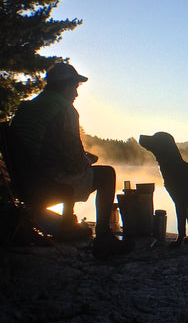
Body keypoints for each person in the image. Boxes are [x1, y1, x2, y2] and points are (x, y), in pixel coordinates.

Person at [10, 62, 133, 259]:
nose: (76, 94)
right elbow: (73, 161)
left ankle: (67, 225)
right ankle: (103, 239)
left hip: (23, 181)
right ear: (65, 86)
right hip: (46, 182)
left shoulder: (26, 108)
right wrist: (86, 160)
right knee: (106, 174)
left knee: (76, 168)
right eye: (75, 88)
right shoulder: (64, 109)